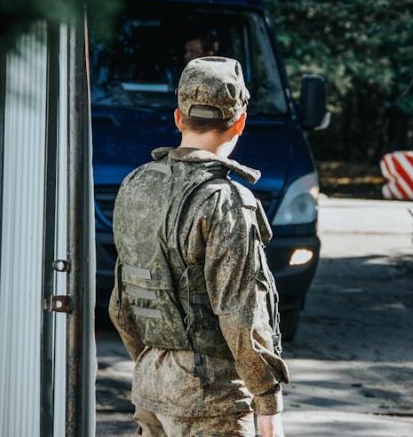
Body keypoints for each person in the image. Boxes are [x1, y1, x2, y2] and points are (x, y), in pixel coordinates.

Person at [109, 56, 289, 437]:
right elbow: (240, 313)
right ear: (240, 122)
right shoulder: (225, 201)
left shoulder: (135, 184)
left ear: (178, 118)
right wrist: (267, 401)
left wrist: (151, 363)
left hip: (151, 381)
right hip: (212, 399)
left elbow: (121, 302)